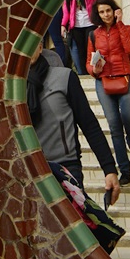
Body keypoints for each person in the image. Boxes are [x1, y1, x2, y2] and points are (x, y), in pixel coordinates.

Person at [27, 40, 120, 204]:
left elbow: (89, 125)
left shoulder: (64, 77)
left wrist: (109, 169)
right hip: (28, 172)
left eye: (31, 43)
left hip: (66, 169)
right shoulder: (11, 87)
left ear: (40, 47)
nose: (26, 50)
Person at [87, 0, 130, 187]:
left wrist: (120, 24)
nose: (105, 15)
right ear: (98, 14)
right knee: (114, 126)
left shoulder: (125, 29)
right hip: (104, 81)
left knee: (129, 117)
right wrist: (93, 69)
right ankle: (125, 171)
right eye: (102, 12)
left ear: (115, 10)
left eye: (108, 11)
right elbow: (89, 60)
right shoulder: (94, 34)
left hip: (126, 77)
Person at [61, 0, 99, 75]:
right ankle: (85, 73)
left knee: (90, 49)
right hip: (76, 26)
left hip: (90, 24)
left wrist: (99, 19)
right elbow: (66, 12)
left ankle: (93, 70)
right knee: (80, 50)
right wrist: (63, 25)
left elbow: (98, 3)